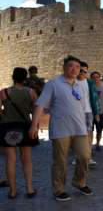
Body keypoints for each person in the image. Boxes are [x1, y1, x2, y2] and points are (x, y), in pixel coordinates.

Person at [30, 55, 93, 201]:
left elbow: (82, 107)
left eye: (78, 67)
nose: (75, 69)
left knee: (84, 156)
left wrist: (87, 125)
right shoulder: (53, 84)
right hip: (60, 129)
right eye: (71, 66)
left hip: (80, 129)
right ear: (64, 67)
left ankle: (79, 182)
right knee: (60, 161)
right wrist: (34, 125)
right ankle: (59, 189)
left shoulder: (79, 84)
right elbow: (40, 105)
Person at [0, 67, 39, 199]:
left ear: (12, 76)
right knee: (26, 160)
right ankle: (29, 189)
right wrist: (35, 127)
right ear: (25, 78)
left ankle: (13, 191)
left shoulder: (4, 92)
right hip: (25, 127)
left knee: (10, 160)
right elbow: (35, 112)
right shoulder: (31, 92)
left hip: (7, 128)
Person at [77, 62, 99, 166]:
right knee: (77, 135)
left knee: (89, 135)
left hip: (88, 112)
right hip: (76, 113)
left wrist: (97, 113)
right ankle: (78, 157)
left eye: (84, 71)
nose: (82, 73)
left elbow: (94, 98)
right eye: (80, 70)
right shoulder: (72, 81)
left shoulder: (90, 82)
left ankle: (88, 157)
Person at [91, 72, 103, 151]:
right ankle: (89, 146)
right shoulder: (88, 87)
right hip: (90, 113)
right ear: (91, 78)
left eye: (97, 77)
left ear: (99, 77)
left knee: (99, 130)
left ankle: (97, 144)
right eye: (93, 77)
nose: (95, 79)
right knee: (89, 130)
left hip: (101, 112)